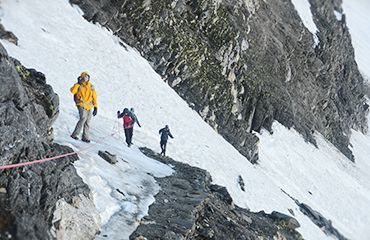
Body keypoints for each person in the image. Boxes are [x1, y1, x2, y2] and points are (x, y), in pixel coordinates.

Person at [70, 71, 98, 143]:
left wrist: (95, 107)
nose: (86, 78)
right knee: (83, 118)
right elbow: (72, 91)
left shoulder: (91, 87)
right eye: (84, 77)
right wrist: (77, 84)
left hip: (89, 106)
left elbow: (94, 97)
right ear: (81, 77)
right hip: (81, 104)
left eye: (87, 77)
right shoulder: (79, 85)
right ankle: (75, 134)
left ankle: (85, 137)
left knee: (88, 121)